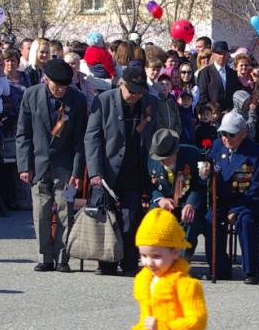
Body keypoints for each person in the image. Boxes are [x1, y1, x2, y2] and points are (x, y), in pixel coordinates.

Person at [84, 65, 159, 275]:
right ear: (121, 84)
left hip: (135, 169)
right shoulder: (104, 100)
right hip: (107, 170)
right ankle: (106, 262)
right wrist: (95, 172)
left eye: (139, 91)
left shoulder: (151, 103)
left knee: (130, 217)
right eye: (131, 90)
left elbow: (157, 136)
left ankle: (128, 261)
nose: (134, 95)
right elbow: (92, 138)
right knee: (106, 217)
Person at [16, 58, 88, 272]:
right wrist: (24, 166)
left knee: (66, 209)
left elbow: (80, 140)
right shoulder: (31, 95)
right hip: (38, 165)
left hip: (66, 167)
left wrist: (77, 171)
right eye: (56, 86)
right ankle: (45, 256)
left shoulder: (78, 100)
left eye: (64, 87)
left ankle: (62, 258)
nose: (60, 91)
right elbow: (23, 134)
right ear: (46, 80)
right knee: (41, 211)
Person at [200, 111, 259, 283]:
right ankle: (219, 268)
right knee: (210, 219)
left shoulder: (256, 152)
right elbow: (208, 166)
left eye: (231, 134)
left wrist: (237, 210)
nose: (226, 138)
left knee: (246, 220)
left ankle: (250, 271)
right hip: (223, 200)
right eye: (223, 133)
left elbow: (258, 187)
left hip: (248, 202)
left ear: (243, 133)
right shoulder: (216, 146)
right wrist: (205, 171)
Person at [147, 129, 207, 255]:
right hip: (164, 203)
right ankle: (159, 259)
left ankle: (181, 261)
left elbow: (200, 184)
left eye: (165, 158)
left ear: (175, 151)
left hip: (187, 202)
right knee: (154, 217)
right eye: (160, 158)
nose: (161, 161)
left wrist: (191, 204)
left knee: (190, 218)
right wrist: (160, 199)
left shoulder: (193, 155)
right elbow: (149, 185)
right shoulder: (152, 158)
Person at [196, 40, 239, 113]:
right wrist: (213, 111)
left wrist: (230, 110)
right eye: (219, 53)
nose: (222, 56)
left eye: (224, 53)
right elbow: (202, 96)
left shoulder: (232, 73)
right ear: (213, 54)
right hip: (212, 115)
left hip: (230, 115)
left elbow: (235, 93)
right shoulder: (205, 73)